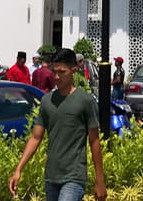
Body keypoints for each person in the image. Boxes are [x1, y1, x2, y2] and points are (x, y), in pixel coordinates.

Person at [11, 48, 106, 201]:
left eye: (62, 72)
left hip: (74, 177)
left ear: (74, 70)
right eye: (54, 71)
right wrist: (18, 169)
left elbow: (94, 141)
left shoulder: (85, 101)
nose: (56, 76)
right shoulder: (47, 101)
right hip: (51, 177)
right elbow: (36, 137)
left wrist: (100, 181)